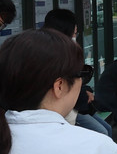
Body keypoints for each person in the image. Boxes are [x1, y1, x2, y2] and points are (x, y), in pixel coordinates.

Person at [42, 8, 110, 137]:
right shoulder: (57, 53)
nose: (74, 37)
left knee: (105, 130)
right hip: (64, 109)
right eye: (73, 34)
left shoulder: (51, 48)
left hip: (73, 106)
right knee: (102, 132)